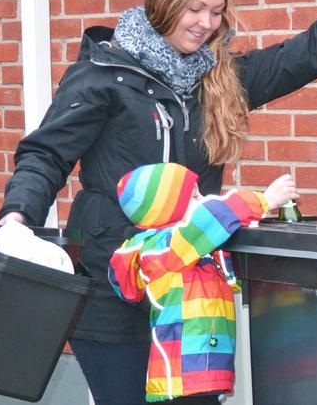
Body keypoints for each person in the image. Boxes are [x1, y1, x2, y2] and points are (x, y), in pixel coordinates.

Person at [0, 0, 317, 404]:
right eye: (193, 8)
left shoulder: (220, 80)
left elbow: (309, 55)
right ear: (163, 2)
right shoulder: (103, 76)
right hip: (113, 291)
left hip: (192, 300)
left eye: (215, 10)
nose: (205, 22)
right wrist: (16, 218)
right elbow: (47, 153)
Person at [108, 162, 297, 403]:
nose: (204, 198)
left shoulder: (189, 248)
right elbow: (213, 217)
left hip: (200, 373)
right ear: (169, 210)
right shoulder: (167, 247)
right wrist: (265, 200)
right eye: (195, 195)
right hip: (182, 379)